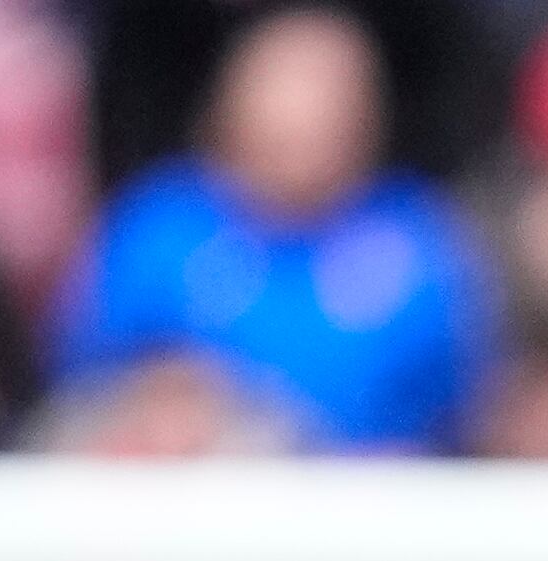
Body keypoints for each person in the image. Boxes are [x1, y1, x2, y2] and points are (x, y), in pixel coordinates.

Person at [56, 5, 495, 451]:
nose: (304, 117)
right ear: (229, 106)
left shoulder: (420, 240)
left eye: (328, 93)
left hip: (372, 504)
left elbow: (469, 410)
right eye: (284, 90)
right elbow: (80, 390)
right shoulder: (157, 228)